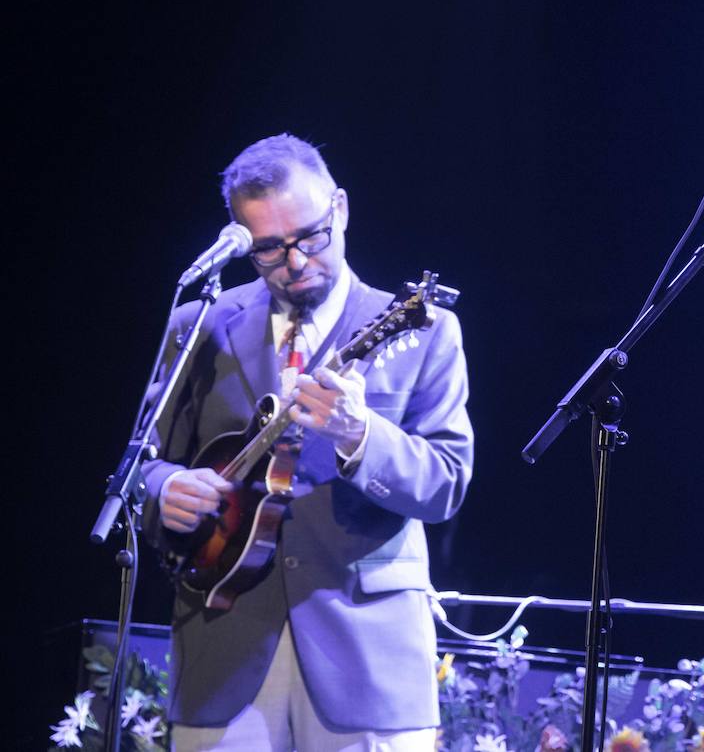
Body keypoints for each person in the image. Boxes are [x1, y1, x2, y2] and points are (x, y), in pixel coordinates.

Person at [142, 133, 474, 750]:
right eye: (268, 250)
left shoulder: (426, 330)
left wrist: (361, 434)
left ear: (340, 209)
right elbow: (144, 463)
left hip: (367, 649)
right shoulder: (200, 327)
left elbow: (446, 482)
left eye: (310, 237)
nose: (295, 262)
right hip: (224, 641)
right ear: (240, 240)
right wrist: (165, 490)